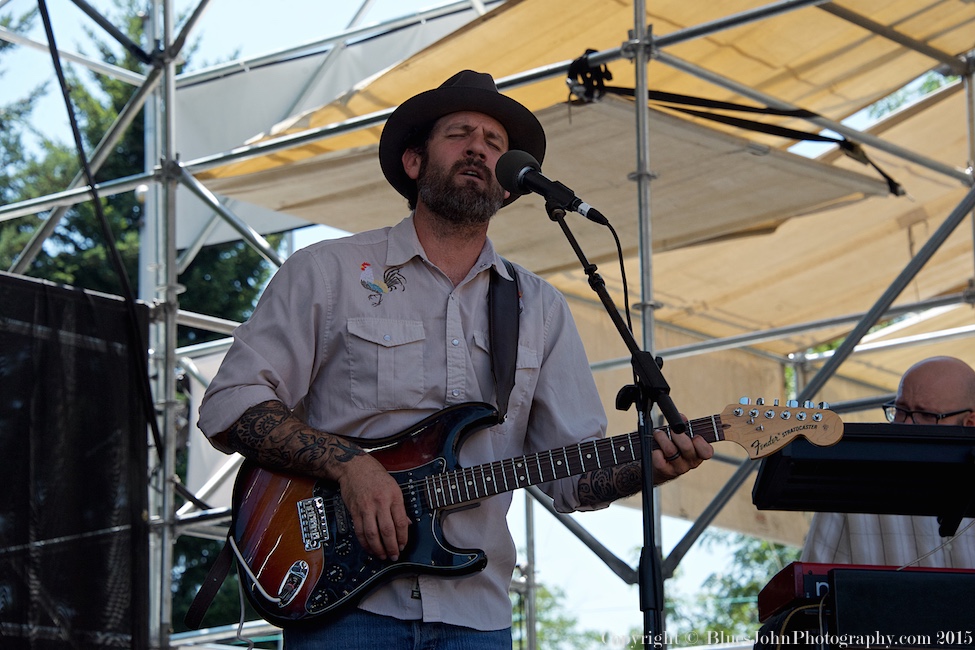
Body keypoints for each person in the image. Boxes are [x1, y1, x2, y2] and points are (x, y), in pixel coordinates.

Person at [197, 70, 713, 649]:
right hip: (344, 604)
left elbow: (574, 479)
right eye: (460, 134)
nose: (480, 148)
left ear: (511, 187)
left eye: (495, 145)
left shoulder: (538, 308)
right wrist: (350, 465)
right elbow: (231, 403)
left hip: (478, 616)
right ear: (414, 163)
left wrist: (649, 465)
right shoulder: (328, 272)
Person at [801, 355, 975, 568]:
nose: (906, 426)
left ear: (970, 423)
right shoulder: (848, 495)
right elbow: (811, 594)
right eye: (900, 411)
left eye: (926, 415)